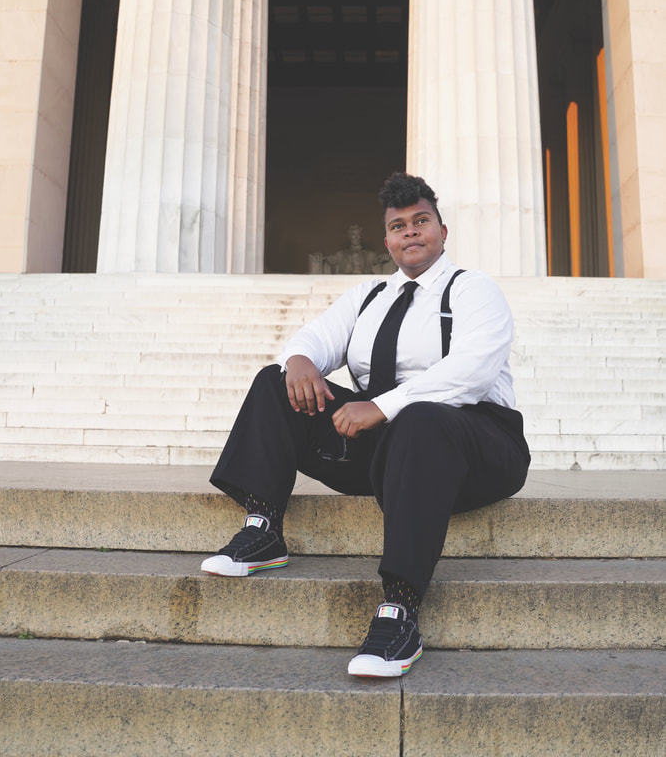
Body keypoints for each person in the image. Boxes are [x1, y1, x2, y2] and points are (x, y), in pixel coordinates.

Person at [201, 172, 531, 678]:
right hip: (387, 451)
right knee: (276, 381)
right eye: (399, 226)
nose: (411, 232)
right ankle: (263, 527)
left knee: (420, 417)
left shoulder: (473, 289)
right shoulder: (368, 296)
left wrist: (382, 407)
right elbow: (315, 337)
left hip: (476, 444)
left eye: (421, 222)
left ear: (442, 230)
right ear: (387, 241)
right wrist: (301, 360)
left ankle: (399, 610)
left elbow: (472, 371)